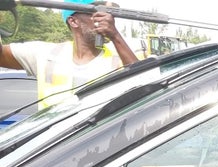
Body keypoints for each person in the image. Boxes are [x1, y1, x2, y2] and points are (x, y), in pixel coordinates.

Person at [0, 0, 139, 107]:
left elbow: (142, 86)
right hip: (57, 137)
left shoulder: (118, 60)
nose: (105, 19)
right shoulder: (46, 54)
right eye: (96, 13)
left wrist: (115, 35)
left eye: (107, 14)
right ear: (73, 21)